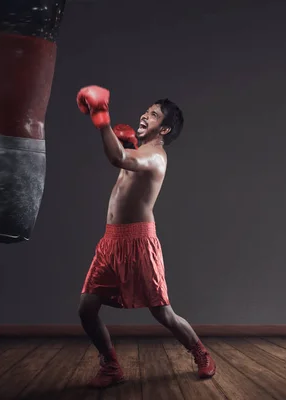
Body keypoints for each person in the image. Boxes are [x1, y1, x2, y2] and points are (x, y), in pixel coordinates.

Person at [76, 85, 216, 388]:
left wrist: (100, 118)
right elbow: (122, 154)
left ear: (163, 128)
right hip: (111, 240)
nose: (144, 115)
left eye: (152, 115)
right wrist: (120, 139)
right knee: (86, 309)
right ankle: (111, 365)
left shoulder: (155, 157)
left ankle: (201, 353)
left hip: (139, 242)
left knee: (163, 313)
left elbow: (118, 160)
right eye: (146, 110)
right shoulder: (139, 150)